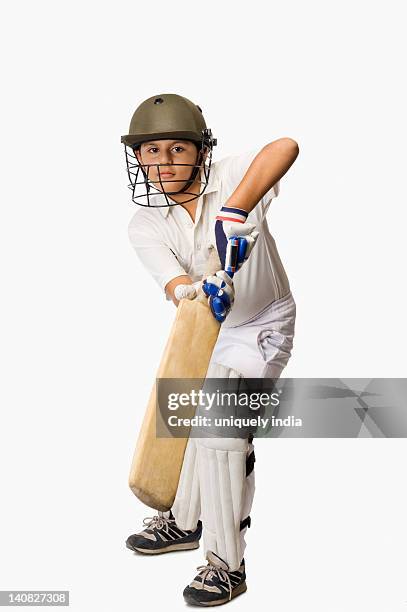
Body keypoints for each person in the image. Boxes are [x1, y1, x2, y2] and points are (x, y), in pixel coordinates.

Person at [122, 93, 299, 606]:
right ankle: (183, 522)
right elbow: (174, 285)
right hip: (208, 326)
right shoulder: (146, 223)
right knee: (190, 422)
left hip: (264, 322)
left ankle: (226, 565)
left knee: (220, 431)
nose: (165, 161)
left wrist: (236, 208)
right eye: (151, 152)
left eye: (178, 148)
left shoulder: (232, 174)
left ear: (201, 150)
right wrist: (195, 291)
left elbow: (285, 145)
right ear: (138, 159)